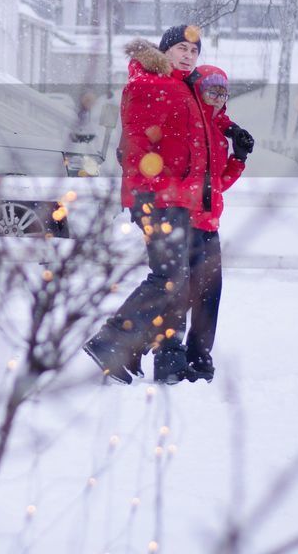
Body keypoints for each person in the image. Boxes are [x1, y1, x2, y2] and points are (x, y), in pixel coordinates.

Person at [85, 25, 210, 385]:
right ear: (165, 50)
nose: (188, 55)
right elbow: (137, 146)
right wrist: (153, 191)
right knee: (168, 277)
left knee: (177, 278)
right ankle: (112, 341)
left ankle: (152, 353)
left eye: (194, 51)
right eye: (182, 48)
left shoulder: (176, 86)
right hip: (156, 197)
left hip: (173, 197)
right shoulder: (150, 85)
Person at [181, 65, 252, 383]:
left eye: (223, 92)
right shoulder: (190, 126)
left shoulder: (219, 135)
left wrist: (238, 158)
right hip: (182, 222)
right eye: (212, 90)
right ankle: (167, 352)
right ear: (198, 90)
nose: (218, 97)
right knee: (179, 294)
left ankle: (199, 356)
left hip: (209, 225)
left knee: (210, 294)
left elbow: (219, 184)